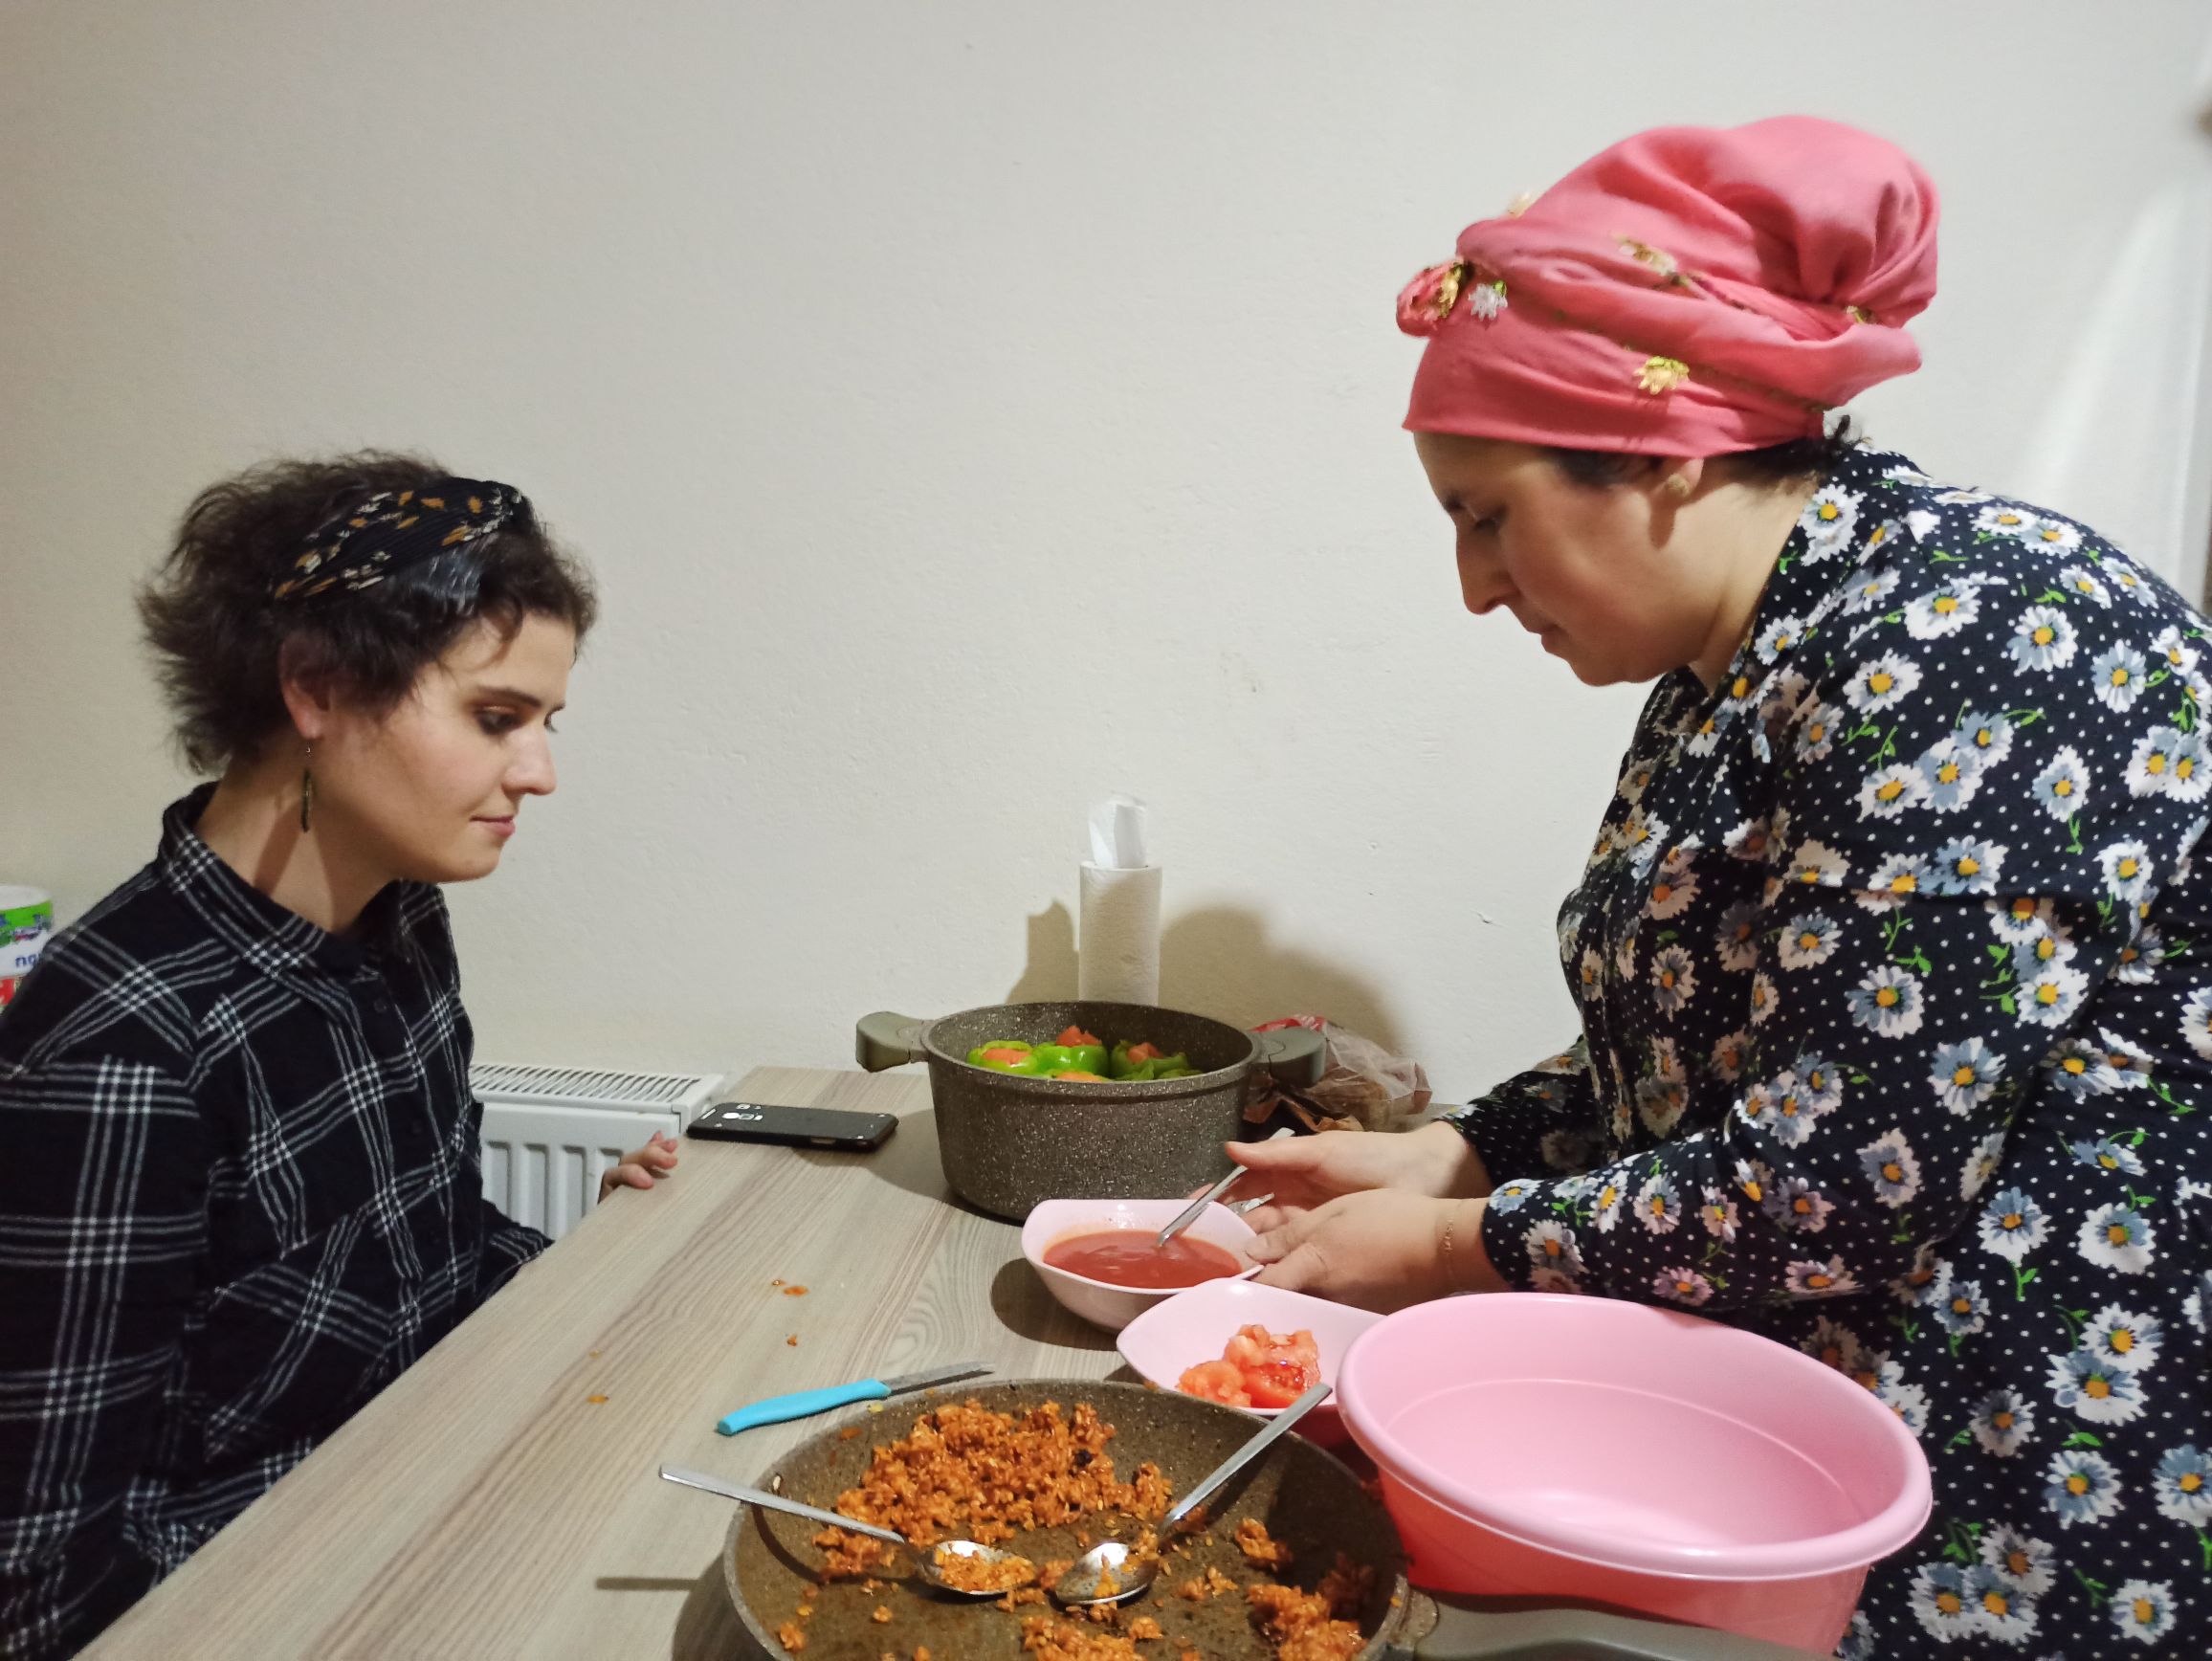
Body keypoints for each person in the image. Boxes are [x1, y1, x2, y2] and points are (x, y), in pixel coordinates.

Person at [1229, 118, 2209, 1657]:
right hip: (1795, 1442)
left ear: (1666, 453)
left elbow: (1844, 1175)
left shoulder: (1977, 639)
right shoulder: (1737, 666)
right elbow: (1697, 1041)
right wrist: (1456, 1152)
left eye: (1487, 515)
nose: (1474, 586)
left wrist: (1448, 1247)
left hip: (2022, 1484)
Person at [0, 455, 677, 1659]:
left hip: (450, 1513)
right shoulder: (121, 1052)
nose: (539, 772)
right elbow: (44, 1585)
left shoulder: (398, 920)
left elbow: (427, 1265)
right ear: (316, 689)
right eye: (495, 718)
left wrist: (586, 1264)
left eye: (544, 723)